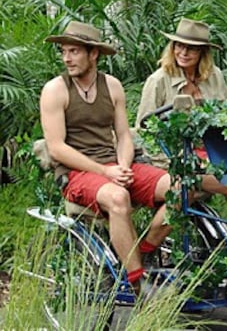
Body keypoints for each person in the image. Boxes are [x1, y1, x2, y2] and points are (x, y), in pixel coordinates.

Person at [40, 21, 172, 295]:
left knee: (181, 186)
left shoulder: (111, 86)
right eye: (64, 51)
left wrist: (123, 166)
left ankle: (143, 249)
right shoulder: (55, 90)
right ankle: (139, 285)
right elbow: (56, 148)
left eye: (74, 51)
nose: (67, 58)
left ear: (94, 54)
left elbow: (124, 135)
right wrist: (105, 171)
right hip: (77, 174)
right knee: (118, 197)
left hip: (114, 166)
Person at [136, 18, 227, 229]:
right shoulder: (158, 80)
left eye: (191, 48)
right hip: (177, 159)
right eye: (179, 46)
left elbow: (226, 119)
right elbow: (144, 130)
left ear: (203, 52)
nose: (183, 53)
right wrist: (171, 163)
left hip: (214, 154)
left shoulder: (214, 76)